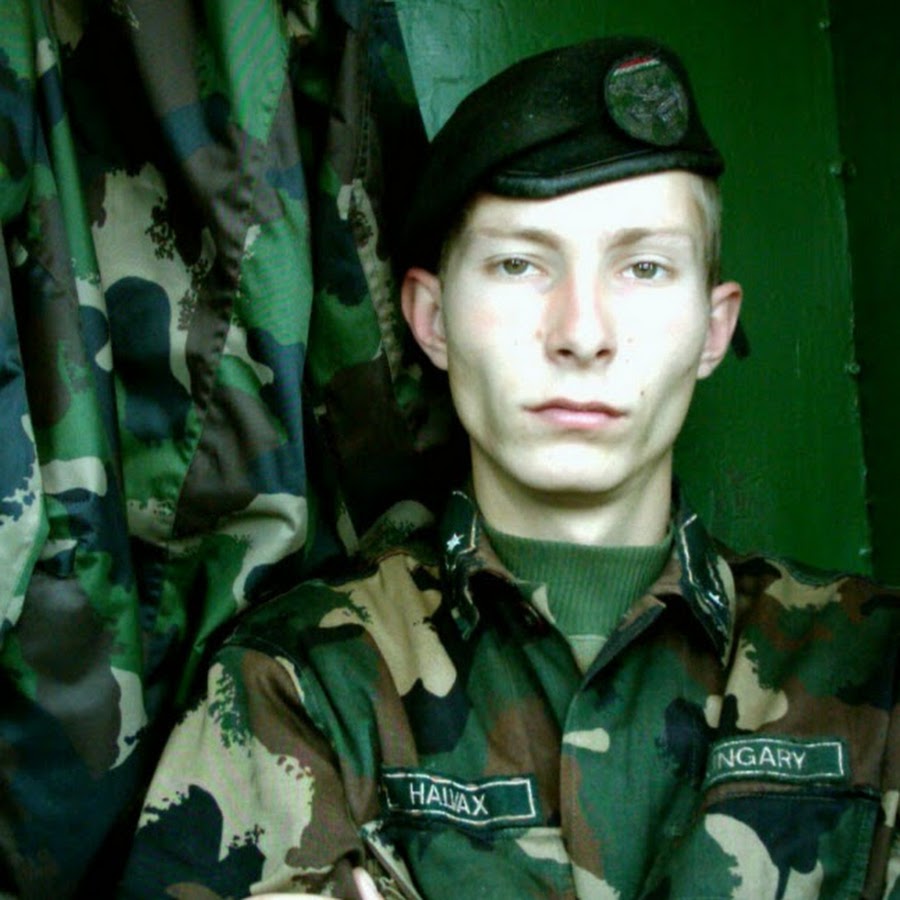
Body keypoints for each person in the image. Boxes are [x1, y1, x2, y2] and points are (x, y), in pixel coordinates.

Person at [119, 36, 900, 899]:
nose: (582, 333)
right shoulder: (302, 687)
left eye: (644, 267)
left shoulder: (874, 669)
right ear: (431, 319)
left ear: (713, 330)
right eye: (519, 264)